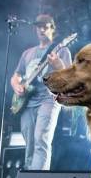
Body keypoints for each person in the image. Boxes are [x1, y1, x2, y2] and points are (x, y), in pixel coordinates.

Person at [10, 14, 72, 170]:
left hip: (49, 99)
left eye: (45, 26)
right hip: (27, 102)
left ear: (52, 28)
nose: (42, 30)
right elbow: (16, 76)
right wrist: (16, 85)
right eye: (39, 26)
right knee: (29, 143)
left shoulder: (61, 50)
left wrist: (58, 65)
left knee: (41, 139)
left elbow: (70, 78)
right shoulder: (27, 53)